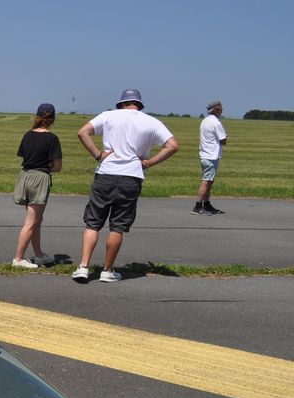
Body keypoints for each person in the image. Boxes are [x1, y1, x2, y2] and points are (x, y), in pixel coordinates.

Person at [73, 89, 179, 284]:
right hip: (131, 176)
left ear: (122, 103)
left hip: (106, 173)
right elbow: (173, 145)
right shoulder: (152, 122)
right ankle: (107, 270)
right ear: (139, 105)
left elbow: (83, 132)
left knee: (93, 222)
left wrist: (97, 154)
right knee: (118, 226)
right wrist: (149, 162)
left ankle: (83, 267)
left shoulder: (108, 115)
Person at [12, 102, 63, 268]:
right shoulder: (52, 139)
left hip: (25, 177)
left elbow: (26, 157)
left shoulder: (27, 135)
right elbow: (57, 167)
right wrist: (48, 165)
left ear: (37, 117)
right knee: (31, 222)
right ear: (52, 119)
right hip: (39, 179)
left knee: (36, 220)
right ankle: (18, 259)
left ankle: (39, 255)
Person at [193, 100, 227, 215]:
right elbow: (223, 140)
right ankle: (197, 206)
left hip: (205, 154)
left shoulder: (205, 121)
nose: (222, 111)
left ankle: (206, 204)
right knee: (207, 181)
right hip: (211, 155)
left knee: (209, 180)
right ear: (215, 110)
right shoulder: (216, 123)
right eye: (220, 109)